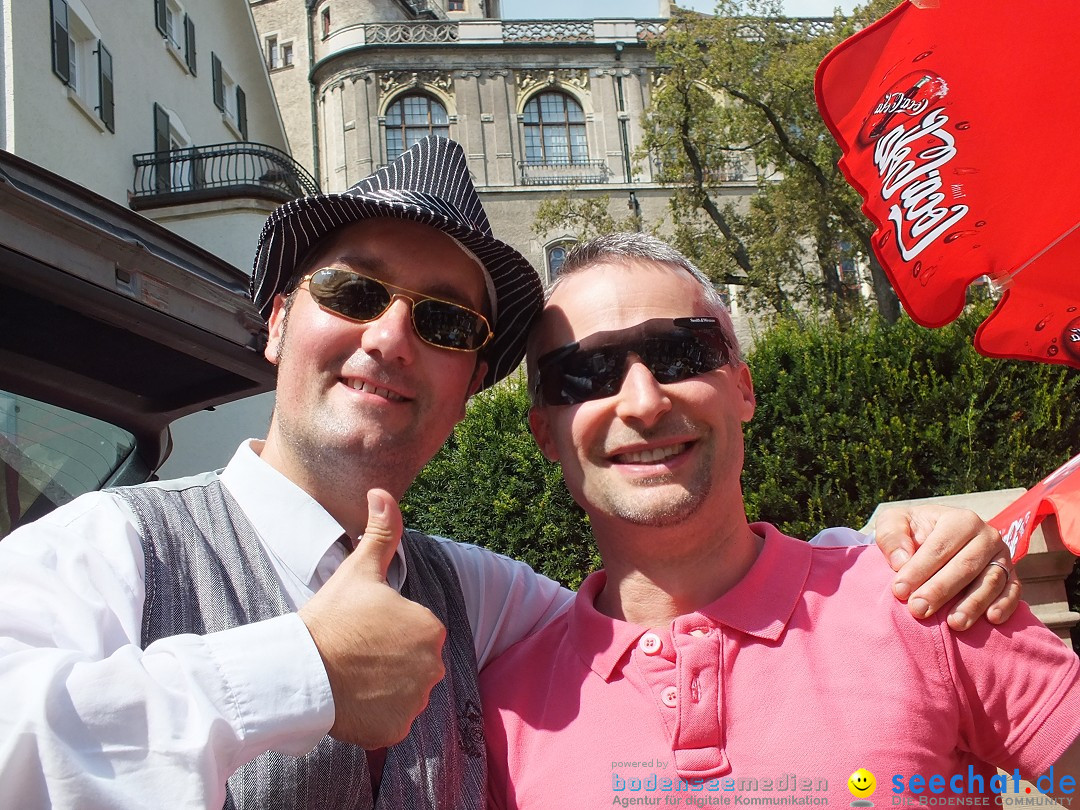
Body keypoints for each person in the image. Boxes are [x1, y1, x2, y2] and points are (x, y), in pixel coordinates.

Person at [0, 140, 1014, 809]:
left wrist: (871, 564)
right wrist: (297, 673)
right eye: (353, 289)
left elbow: (673, 588)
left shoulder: (478, 601)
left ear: (470, 381)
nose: (390, 336)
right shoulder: (106, 549)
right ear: (276, 319)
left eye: (443, 322)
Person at [481, 233, 1080, 810]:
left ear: (742, 388)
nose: (643, 401)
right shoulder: (502, 713)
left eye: (679, 353)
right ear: (546, 436)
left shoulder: (924, 597)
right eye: (585, 373)